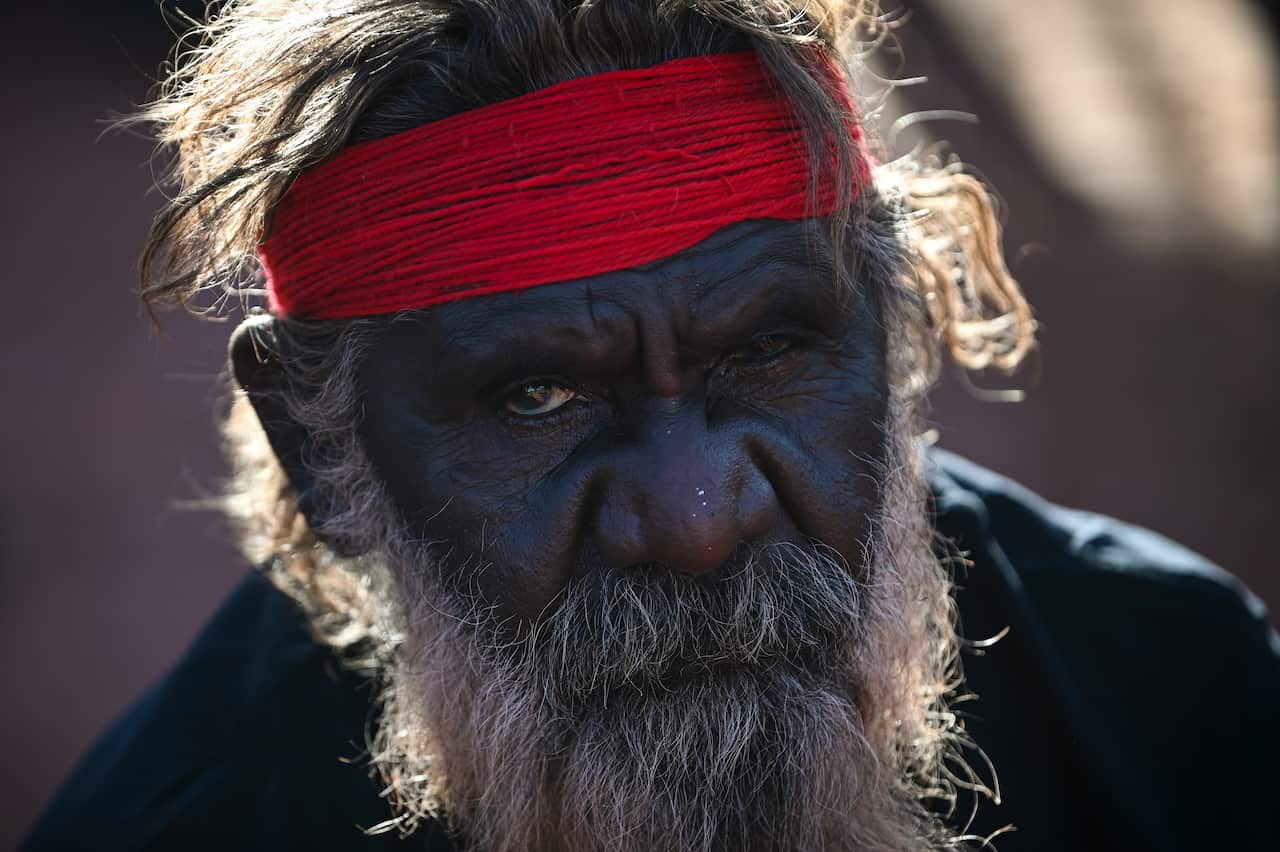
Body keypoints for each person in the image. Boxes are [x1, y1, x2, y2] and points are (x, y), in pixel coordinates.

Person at [24, 1, 1279, 850]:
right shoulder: (182, 825)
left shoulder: (1161, 686)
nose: (691, 520)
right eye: (535, 398)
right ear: (317, 453)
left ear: (897, 335)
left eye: (771, 350)